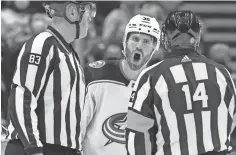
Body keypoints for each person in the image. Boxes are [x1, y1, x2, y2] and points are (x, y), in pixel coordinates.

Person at [126, 11, 236, 155]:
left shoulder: (151, 75)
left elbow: (137, 132)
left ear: (166, 37)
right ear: (197, 37)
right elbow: (233, 117)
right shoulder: (221, 72)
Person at [4, 1, 96, 155]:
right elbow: (22, 99)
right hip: (36, 148)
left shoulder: (69, 53)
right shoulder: (43, 45)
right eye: (88, 10)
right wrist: (33, 149)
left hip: (60, 149)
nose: (90, 17)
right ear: (72, 12)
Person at [81, 14, 161, 155]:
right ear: (125, 41)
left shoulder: (160, 85)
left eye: (146, 42)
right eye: (135, 39)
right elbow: (75, 127)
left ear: (154, 49)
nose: (139, 46)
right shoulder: (95, 75)